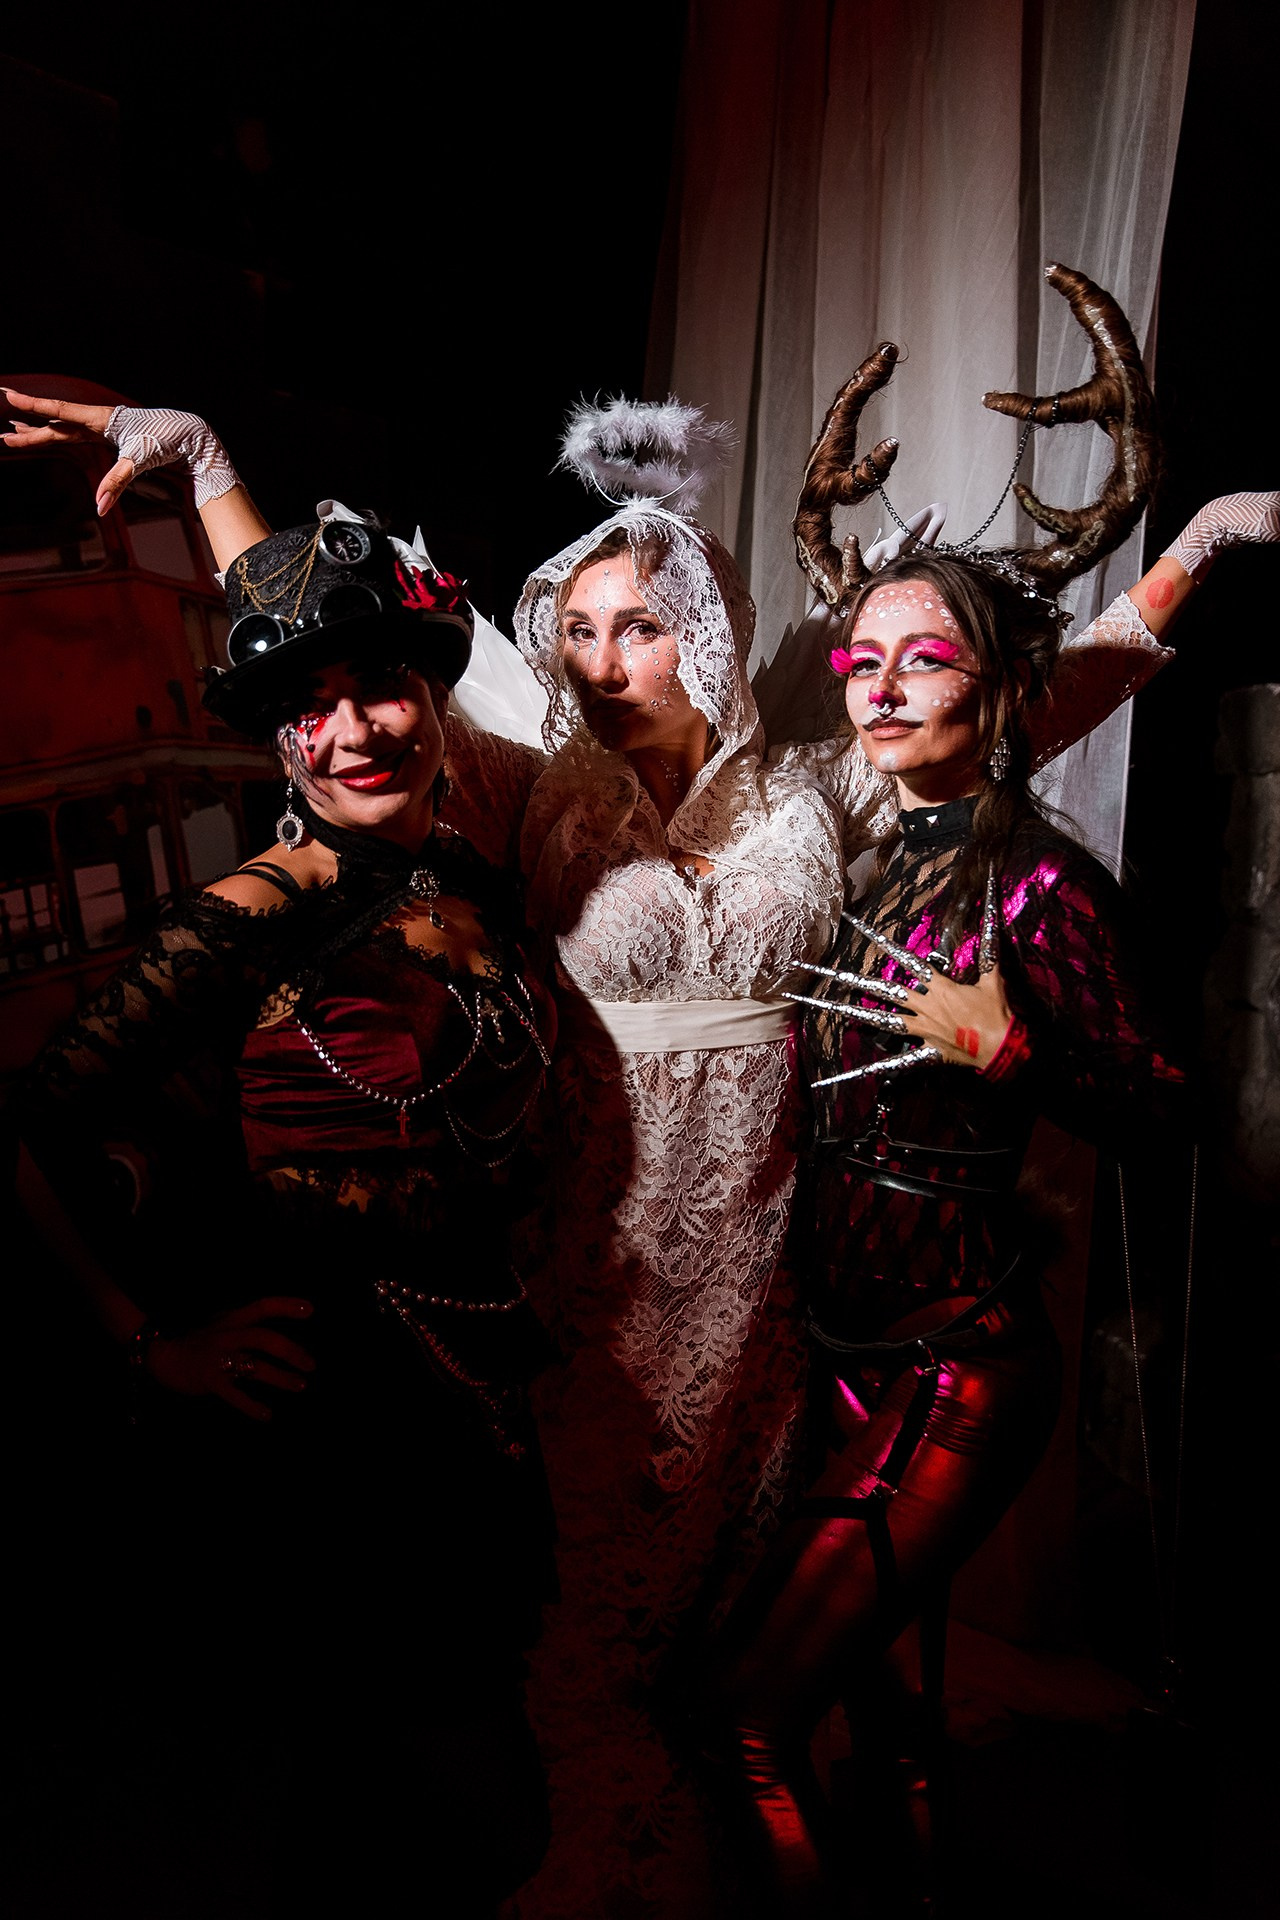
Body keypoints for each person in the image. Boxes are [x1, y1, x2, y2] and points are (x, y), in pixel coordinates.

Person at [5, 312, 1270, 1915]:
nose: (600, 662)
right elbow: (337, 675)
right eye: (579, 630)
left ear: (710, 635)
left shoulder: (812, 788)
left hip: (771, 1260)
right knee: (590, 1610)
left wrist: (1194, 558)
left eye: (639, 629)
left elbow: (1022, 705)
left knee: (743, 1605)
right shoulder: (529, 781)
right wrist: (207, 469)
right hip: (591, 1254)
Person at [703, 334, 1278, 1909]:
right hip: (834, 1353)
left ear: (1006, 688)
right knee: (883, 1710)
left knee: (745, 1720)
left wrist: (1018, 1055)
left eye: (926, 660)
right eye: (861, 662)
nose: (882, 687)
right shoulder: (843, 862)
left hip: (957, 1365)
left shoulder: (1039, 881)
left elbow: (1171, 1117)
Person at [8, 509, 556, 1917]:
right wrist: (146, 1341)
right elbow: (31, 1118)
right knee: (447, 1809)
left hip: (479, 1384)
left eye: (381, 687)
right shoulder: (259, 905)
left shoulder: (470, 879)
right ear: (279, 744)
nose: (356, 730)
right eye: (312, 705)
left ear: (435, 697)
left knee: (398, 1815)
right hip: (343, 1418)